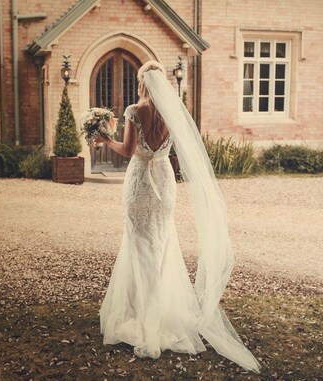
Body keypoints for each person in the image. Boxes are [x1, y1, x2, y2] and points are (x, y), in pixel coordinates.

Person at [95, 61, 260, 373]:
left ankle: (147, 322)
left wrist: (105, 140)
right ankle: (154, 311)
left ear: (143, 81)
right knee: (161, 245)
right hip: (165, 181)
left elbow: (130, 150)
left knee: (140, 246)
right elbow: (170, 151)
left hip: (142, 181)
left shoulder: (134, 110)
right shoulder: (173, 111)